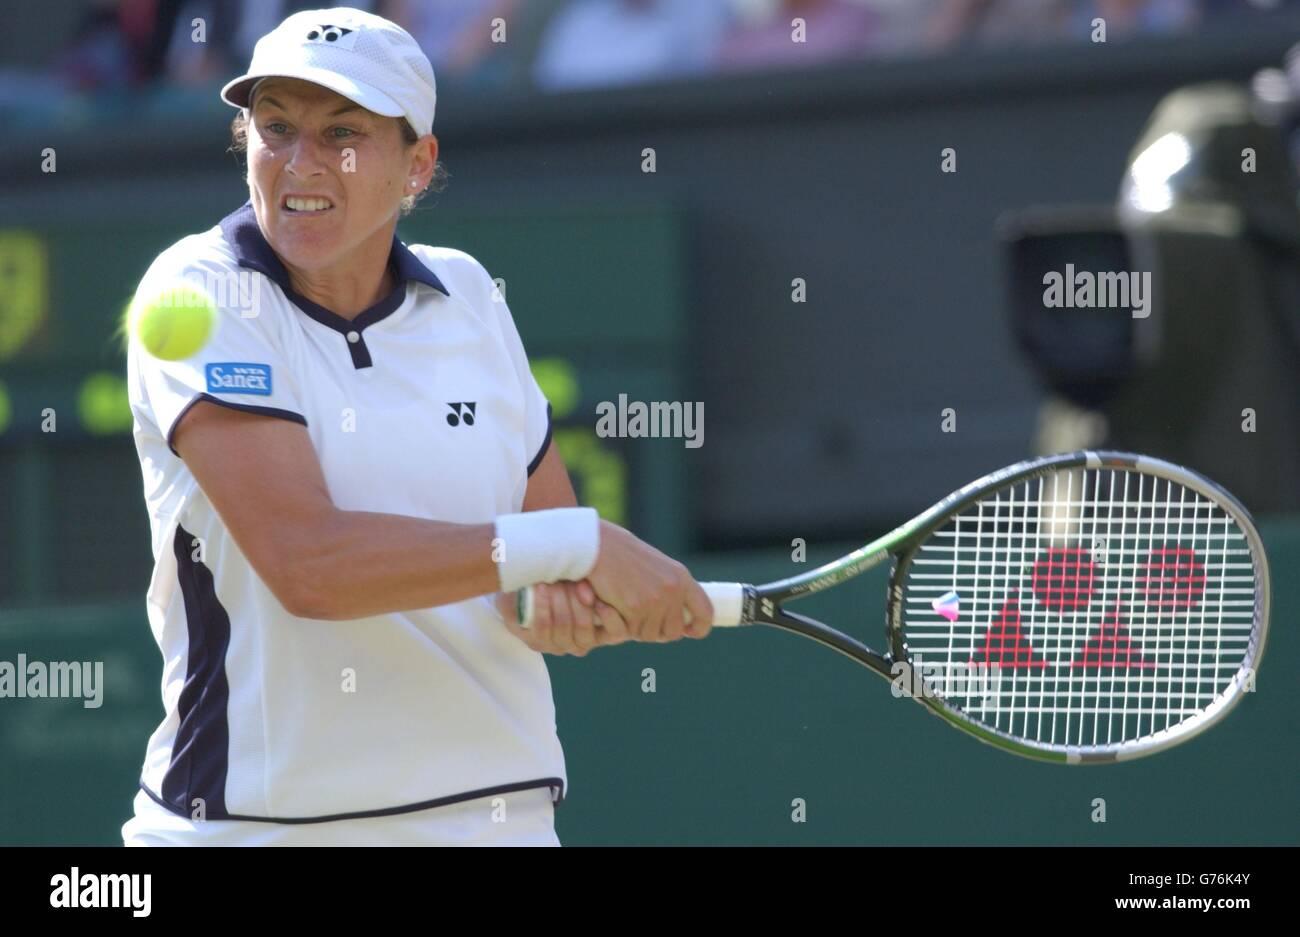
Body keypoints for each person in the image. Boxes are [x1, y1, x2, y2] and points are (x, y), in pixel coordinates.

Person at [120, 6, 712, 847]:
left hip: (495, 817)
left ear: (418, 163)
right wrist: (575, 546)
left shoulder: (470, 293)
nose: (300, 162)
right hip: (256, 832)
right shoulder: (196, 293)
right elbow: (308, 564)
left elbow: (533, 576)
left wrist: (569, 601)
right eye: (275, 127)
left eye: (343, 132)